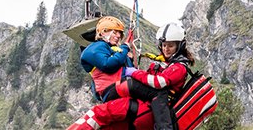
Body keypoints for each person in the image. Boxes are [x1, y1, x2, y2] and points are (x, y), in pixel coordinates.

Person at [69, 22, 200, 130]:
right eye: (164, 45)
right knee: (104, 119)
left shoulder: (178, 67)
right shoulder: (165, 64)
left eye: (170, 46)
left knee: (99, 114)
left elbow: (158, 82)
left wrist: (133, 72)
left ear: (179, 46)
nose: (166, 49)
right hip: (144, 109)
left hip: (144, 109)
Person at [80, 16, 134, 102]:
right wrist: (124, 48)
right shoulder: (96, 48)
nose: (118, 36)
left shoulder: (112, 50)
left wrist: (128, 59)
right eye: (115, 32)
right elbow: (107, 64)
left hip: (120, 89)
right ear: (103, 32)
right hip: (114, 90)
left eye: (119, 33)